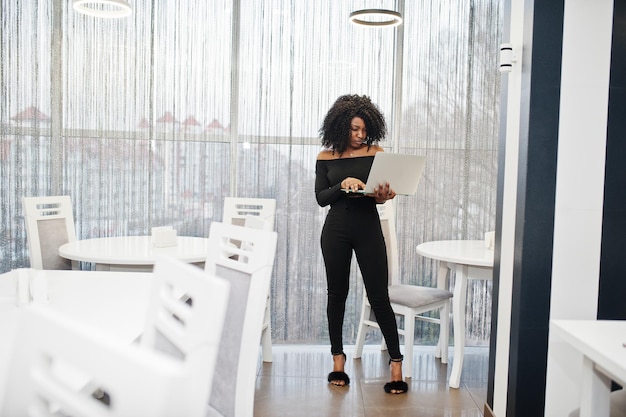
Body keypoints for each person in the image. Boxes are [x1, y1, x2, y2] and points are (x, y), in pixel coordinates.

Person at [314, 94, 408, 394]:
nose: (360, 135)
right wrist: (342, 185)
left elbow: (380, 195)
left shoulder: (377, 153)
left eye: (364, 130)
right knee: (337, 295)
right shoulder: (325, 158)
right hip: (336, 230)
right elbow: (320, 198)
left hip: (367, 227)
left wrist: (383, 194)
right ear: (341, 127)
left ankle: (396, 364)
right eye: (354, 129)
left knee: (379, 296)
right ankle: (338, 361)